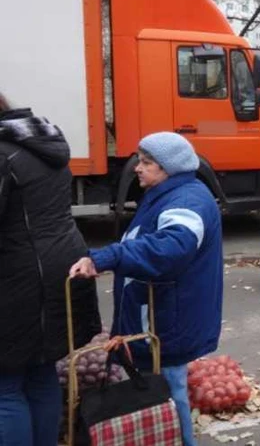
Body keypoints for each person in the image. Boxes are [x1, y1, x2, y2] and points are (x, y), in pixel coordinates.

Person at [70, 132, 223, 446]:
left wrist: (107, 258)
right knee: (165, 386)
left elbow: (168, 250)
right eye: (139, 161)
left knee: (168, 390)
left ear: (169, 168)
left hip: (167, 319)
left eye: (146, 163)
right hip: (161, 314)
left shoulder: (187, 202)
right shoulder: (167, 193)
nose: (137, 168)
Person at [0, 93, 102, 445]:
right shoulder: (42, 142)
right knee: (41, 369)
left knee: (5, 384)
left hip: (18, 278)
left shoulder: (3, 155)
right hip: (60, 267)